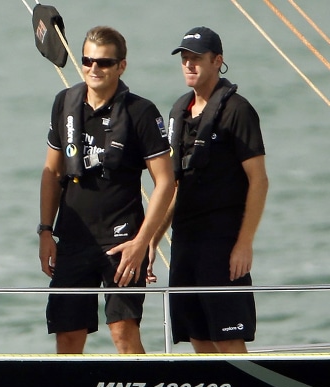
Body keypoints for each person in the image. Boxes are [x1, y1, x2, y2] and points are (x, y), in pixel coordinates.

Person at [38, 26, 175, 354]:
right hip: (73, 238)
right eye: (87, 61)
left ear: (121, 66)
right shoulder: (65, 103)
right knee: (68, 337)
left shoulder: (141, 112)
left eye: (104, 63)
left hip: (123, 241)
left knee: (123, 333)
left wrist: (143, 243)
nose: (93, 69)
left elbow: (166, 182)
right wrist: (45, 232)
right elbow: (52, 172)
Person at [150, 27, 268, 353]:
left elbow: (259, 180)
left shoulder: (237, 111)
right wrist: (153, 239)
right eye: (185, 59)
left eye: (196, 58)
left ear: (217, 61)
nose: (189, 65)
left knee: (227, 337)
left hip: (222, 241)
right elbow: (175, 185)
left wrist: (244, 244)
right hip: (185, 241)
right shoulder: (178, 111)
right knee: (197, 337)